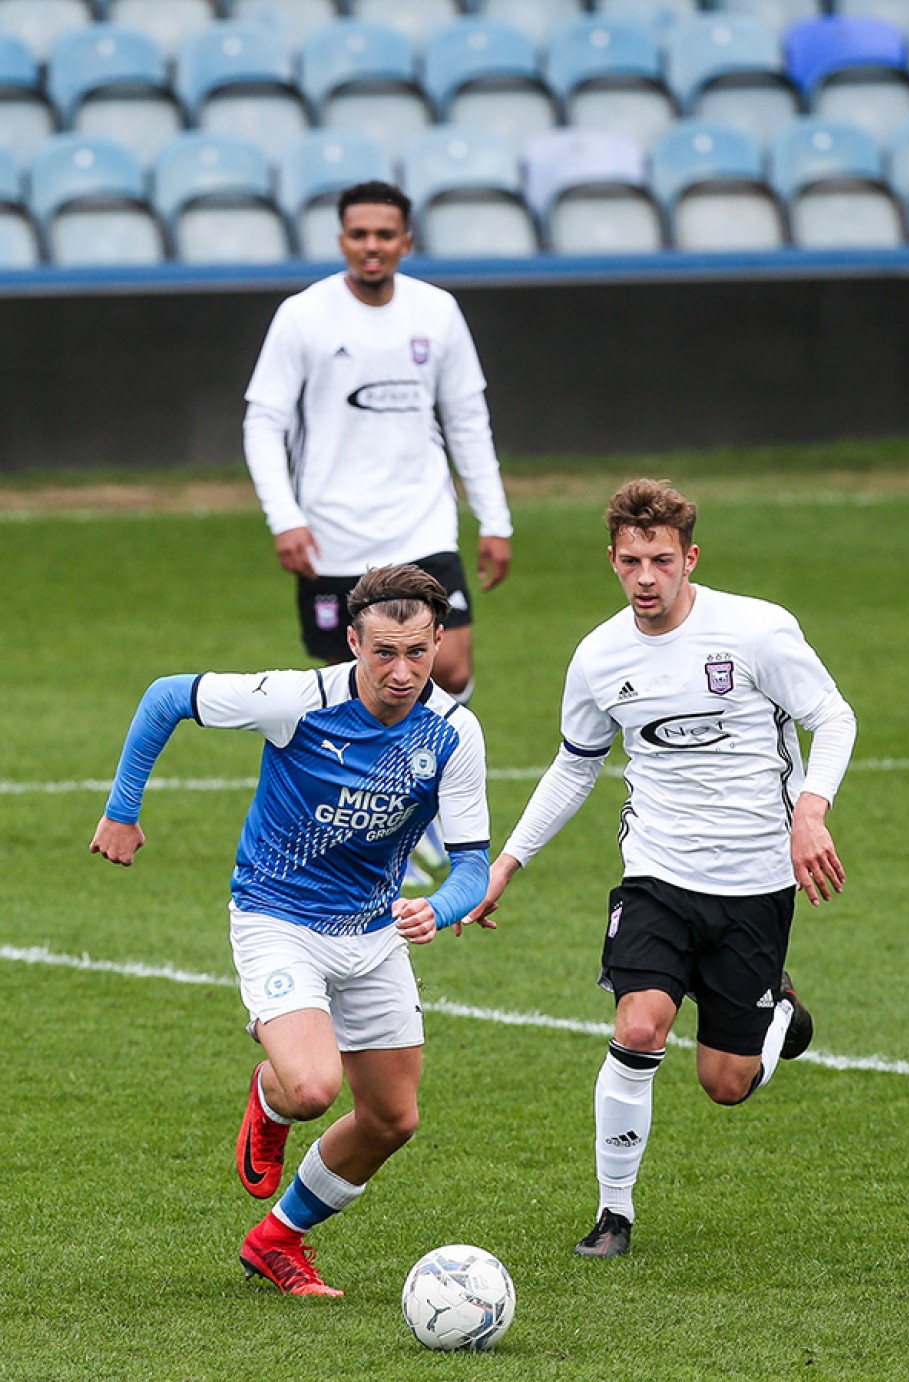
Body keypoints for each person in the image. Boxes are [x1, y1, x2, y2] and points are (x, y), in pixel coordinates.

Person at [465, 479, 857, 1258]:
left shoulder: (756, 632)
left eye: (662, 560)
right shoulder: (599, 656)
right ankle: (615, 1215)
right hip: (657, 874)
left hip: (753, 882)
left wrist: (809, 810)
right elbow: (575, 767)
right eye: (632, 560)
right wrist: (505, 862)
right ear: (612, 560)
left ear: (690, 559)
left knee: (725, 1083)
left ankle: (780, 1013)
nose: (647, 577)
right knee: (640, 1025)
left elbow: (832, 716)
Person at [90, 564, 493, 1297]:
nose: (401, 672)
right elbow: (165, 698)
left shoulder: (455, 735)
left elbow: (471, 863)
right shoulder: (297, 701)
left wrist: (439, 907)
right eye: (382, 653)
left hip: (374, 934)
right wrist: (123, 808)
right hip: (278, 918)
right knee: (312, 1087)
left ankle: (279, 1240)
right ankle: (273, 1098)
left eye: (417, 652)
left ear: (439, 640)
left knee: (393, 1119)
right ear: (352, 642)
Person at [242, 179, 513, 706]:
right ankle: (376, 786)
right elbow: (263, 422)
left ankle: (433, 773)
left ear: (406, 242)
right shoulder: (303, 315)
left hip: (422, 522)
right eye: (359, 233)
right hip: (332, 533)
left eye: (385, 235)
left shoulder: (437, 313)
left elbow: (467, 421)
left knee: (450, 669)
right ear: (341, 241)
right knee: (357, 685)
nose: (372, 245)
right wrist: (285, 518)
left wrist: (495, 520)